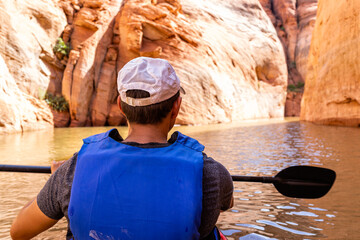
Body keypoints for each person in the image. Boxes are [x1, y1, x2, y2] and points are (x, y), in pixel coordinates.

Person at [10, 57, 234, 240]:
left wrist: (57, 179)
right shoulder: (211, 173)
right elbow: (226, 203)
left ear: (120, 106)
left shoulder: (72, 172)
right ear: (176, 107)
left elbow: (19, 232)